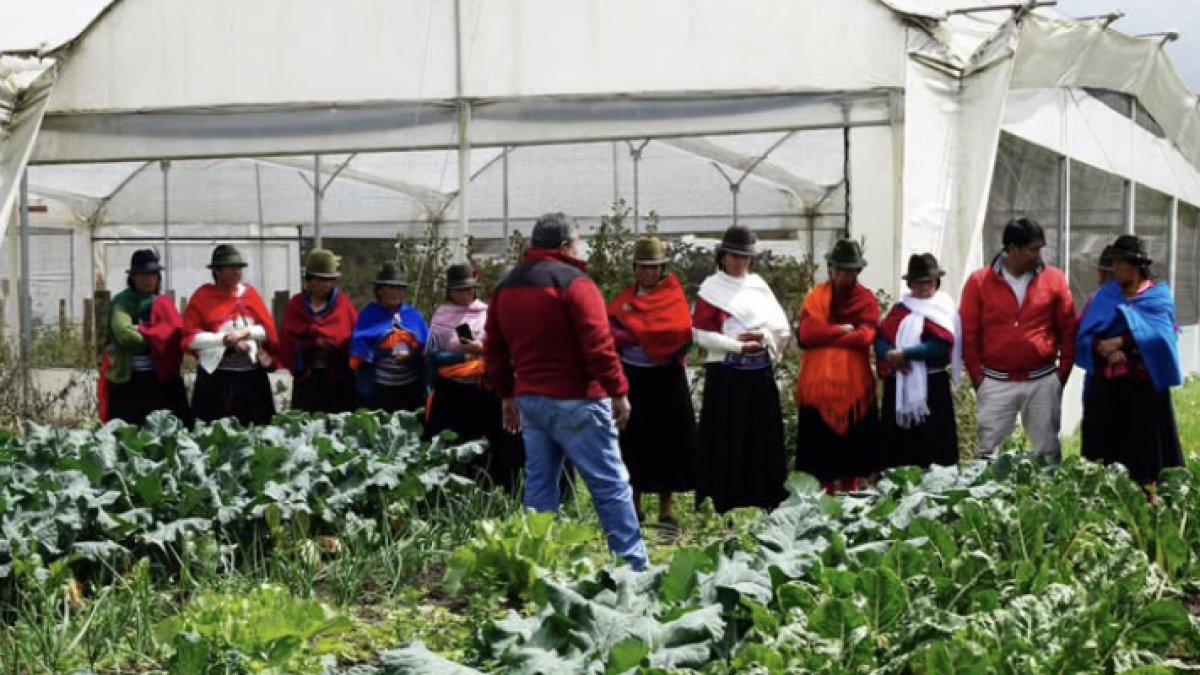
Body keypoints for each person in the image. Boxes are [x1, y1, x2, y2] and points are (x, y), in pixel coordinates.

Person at [484, 212, 647, 570]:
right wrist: (618, 390)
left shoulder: (507, 286)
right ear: (564, 246)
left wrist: (507, 395)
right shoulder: (575, 283)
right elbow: (598, 344)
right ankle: (633, 568)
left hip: (531, 401)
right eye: (578, 241)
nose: (581, 247)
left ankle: (535, 565)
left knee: (540, 487)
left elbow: (492, 346)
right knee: (609, 484)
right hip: (577, 399)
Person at [692, 225, 791, 513]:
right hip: (727, 377)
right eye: (734, 257)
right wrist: (736, 346)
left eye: (745, 257)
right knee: (727, 439)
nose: (740, 263)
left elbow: (781, 327)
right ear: (723, 257)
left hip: (759, 375)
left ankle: (765, 499)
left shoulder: (758, 286)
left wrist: (764, 337)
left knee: (761, 439)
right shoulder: (711, 290)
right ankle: (724, 501)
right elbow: (701, 333)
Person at [960, 217, 1077, 458]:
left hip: (1043, 381)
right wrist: (978, 379)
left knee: (1046, 452)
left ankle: (1047, 495)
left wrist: (1060, 375)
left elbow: (1068, 329)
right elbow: (968, 333)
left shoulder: (1054, 279)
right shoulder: (979, 282)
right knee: (988, 453)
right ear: (1012, 249)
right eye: (1033, 249)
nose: (1039, 255)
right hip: (994, 382)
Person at [1076, 235, 1184, 487]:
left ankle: (1145, 494)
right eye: (1112, 264)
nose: (1114, 270)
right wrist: (1107, 350)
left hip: (1143, 389)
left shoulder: (1158, 297)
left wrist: (1125, 343)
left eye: (1119, 264)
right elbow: (1086, 333)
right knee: (1104, 446)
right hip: (1107, 387)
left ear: (1135, 266)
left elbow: (1162, 338)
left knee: (1143, 447)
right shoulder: (1106, 295)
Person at [607, 236, 697, 526]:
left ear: (662, 269)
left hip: (666, 379)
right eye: (643, 267)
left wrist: (634, 333)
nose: (648, 273)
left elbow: (681, 331)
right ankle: (634, 505)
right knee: (632, 441)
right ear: (634, 269)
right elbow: (609, 334)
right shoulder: (624, 301)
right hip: (633, 378)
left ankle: (666, 510)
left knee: (666, 442)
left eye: (654, 267)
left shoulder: (673, 297)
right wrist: (644, 335)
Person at [425, 263, 524, 492]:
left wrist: (480, 351)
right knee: (455, 442)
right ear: (449, 291)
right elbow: (431, 354)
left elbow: (501, 348)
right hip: (452, 389)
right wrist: (457, 358)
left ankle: (489, 488)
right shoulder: (441, 316)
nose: (465, 294)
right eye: (459, 290)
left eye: (469, 289)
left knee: (487, 443)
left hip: (484, 388)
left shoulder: (487, 313)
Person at [795, 239, 882, 493]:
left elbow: (866, 337)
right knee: (820, 453)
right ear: (830, 268)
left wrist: (826, 334)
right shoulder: (816, 297)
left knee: (851, 455)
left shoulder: (866, 299)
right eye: (838, 269)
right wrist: (842, 331)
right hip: (817, 389)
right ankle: (824, 498)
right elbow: (805, 335)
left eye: (849, 270)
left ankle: (851, 496)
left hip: (854, 390)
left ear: (857, 272)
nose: (843, 275)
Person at [875, 253, 961, 469]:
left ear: (937, 283)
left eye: (930, 282)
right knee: (900, 450)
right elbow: (880, 338)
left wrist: (907, 354)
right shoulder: (900, 310)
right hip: (899, 388)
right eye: (920, 282)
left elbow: (942, 346)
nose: (925, 287)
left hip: (932, 389)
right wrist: (888, 355)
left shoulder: (943, 309)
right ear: (910, 284)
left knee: (933, 448)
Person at [183, 244, 279, 426]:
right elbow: (190, 338)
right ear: (217, 271)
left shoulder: (250, 295)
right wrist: (225, 341)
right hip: (216, 382)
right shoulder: (203, 297)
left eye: (239, 268)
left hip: (251, 380)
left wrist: (246, 332)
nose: (237, 272)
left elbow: (267, 331)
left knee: (256, 432)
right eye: (232, 268)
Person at [99, 249, 191, 426]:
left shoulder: (163, 303)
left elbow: (175, 334)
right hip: (129, 380)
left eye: (153, 274)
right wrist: (157, 338)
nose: (149, 279)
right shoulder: (123, 301)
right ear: (133, 277)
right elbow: (126, 336)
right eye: (143, 274)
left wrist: (144, 331)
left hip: (160, 379)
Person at [279, 249, 359, 414]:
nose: (326, 285)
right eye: (321, 279)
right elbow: (288, 341)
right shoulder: (296, 305)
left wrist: (333, 346)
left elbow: (352, 339)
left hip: (337, 383)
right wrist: (309, 345)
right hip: (306, 381)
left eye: (330, 280)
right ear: (309, 280)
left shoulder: (343, 305)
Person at [349, 262, 430, 413]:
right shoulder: (369, 315)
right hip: (378, 391)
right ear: (379, 290)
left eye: (399, 288)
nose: (395, 292)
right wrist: (382, 351)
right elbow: (359, 350)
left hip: (410, 390)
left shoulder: (413, 315)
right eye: (390, 287)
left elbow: (426, 348)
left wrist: (411, 355)